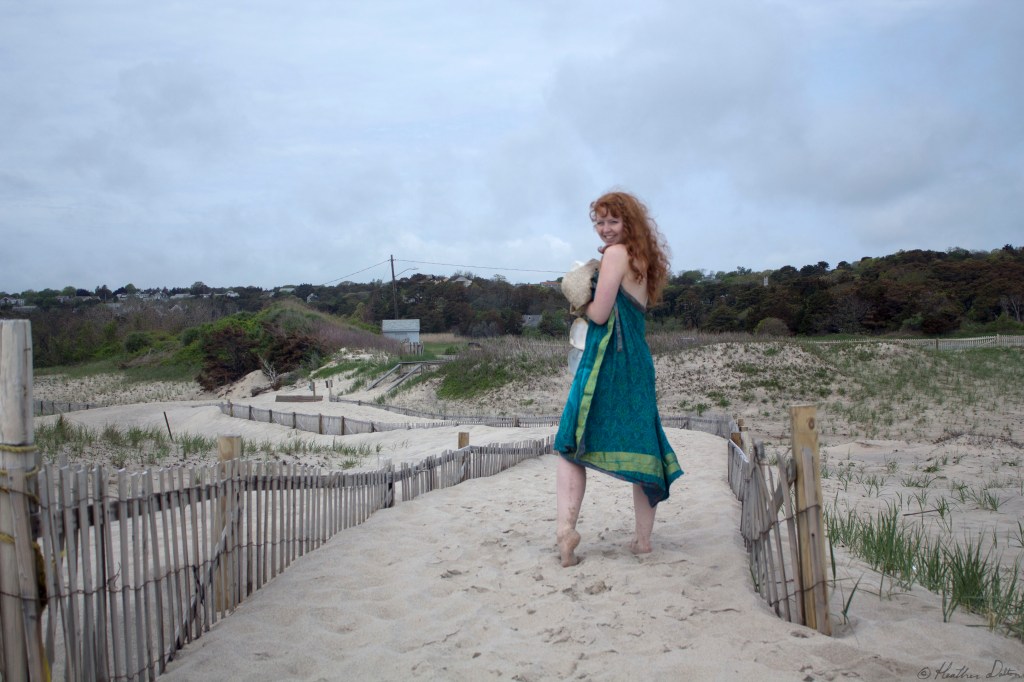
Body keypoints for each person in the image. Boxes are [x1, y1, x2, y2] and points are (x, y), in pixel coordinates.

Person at [553, 191, 683, 567]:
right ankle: (643, 542)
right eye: (599, 221)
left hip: (606, 360)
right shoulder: (644, 259)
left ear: (628, 223)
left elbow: (599, 314)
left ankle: (566, 531)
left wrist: (577, 299)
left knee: (571, 442)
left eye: (613, 221)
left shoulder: (614, 255)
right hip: (638, 362)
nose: (605, 228)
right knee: (645, 445)